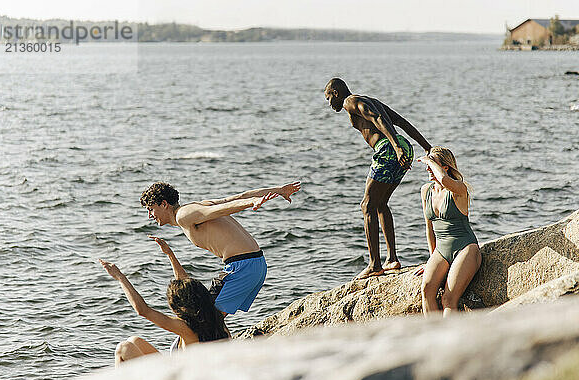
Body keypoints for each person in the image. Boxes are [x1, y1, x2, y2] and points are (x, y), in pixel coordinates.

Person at [140, 181, 301, 318]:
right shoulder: (194, 207)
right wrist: (279, 191)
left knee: (204, 319)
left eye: (151, 209)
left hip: (242, 267)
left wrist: (252, 202)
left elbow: (223, 209)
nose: (150, 215)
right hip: (255, 264)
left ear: (164, 204)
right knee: (209, 319)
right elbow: (238, 197)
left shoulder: (184, 214)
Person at [324, 78, 432, 279]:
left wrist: (396, 147)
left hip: (390, 148)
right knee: (380, 204)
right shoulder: (370, 99)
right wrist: (426, 146)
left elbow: (377, 118)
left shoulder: (350, 101)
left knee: (367, 205)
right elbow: (402, 122)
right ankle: (392, 259)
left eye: (328, 98)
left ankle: (375, 264)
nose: (329, 104)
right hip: (404, 147)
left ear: (336, 93)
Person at [99, 257, 229, 367]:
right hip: (191, 375)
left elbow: (143, 310)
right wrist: (170, 255)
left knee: (123, 348)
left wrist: (121, 278)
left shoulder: (185, 328)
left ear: (178, 306)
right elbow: (188, 288)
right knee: (135, 340)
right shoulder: (215, 319)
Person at [414, 147, 482, 317]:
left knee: (448, 299)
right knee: (427, 289)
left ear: (445, 167)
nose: (428, 169)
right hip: (441, 250)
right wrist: (432, 260)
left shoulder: (459, 189)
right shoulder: (426, 191)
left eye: (432, 165)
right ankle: (434, 337)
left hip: (466, 248)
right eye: (428, 165)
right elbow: (429, 227)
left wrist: (428, 159)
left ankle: (449, 340)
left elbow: (444, 180)